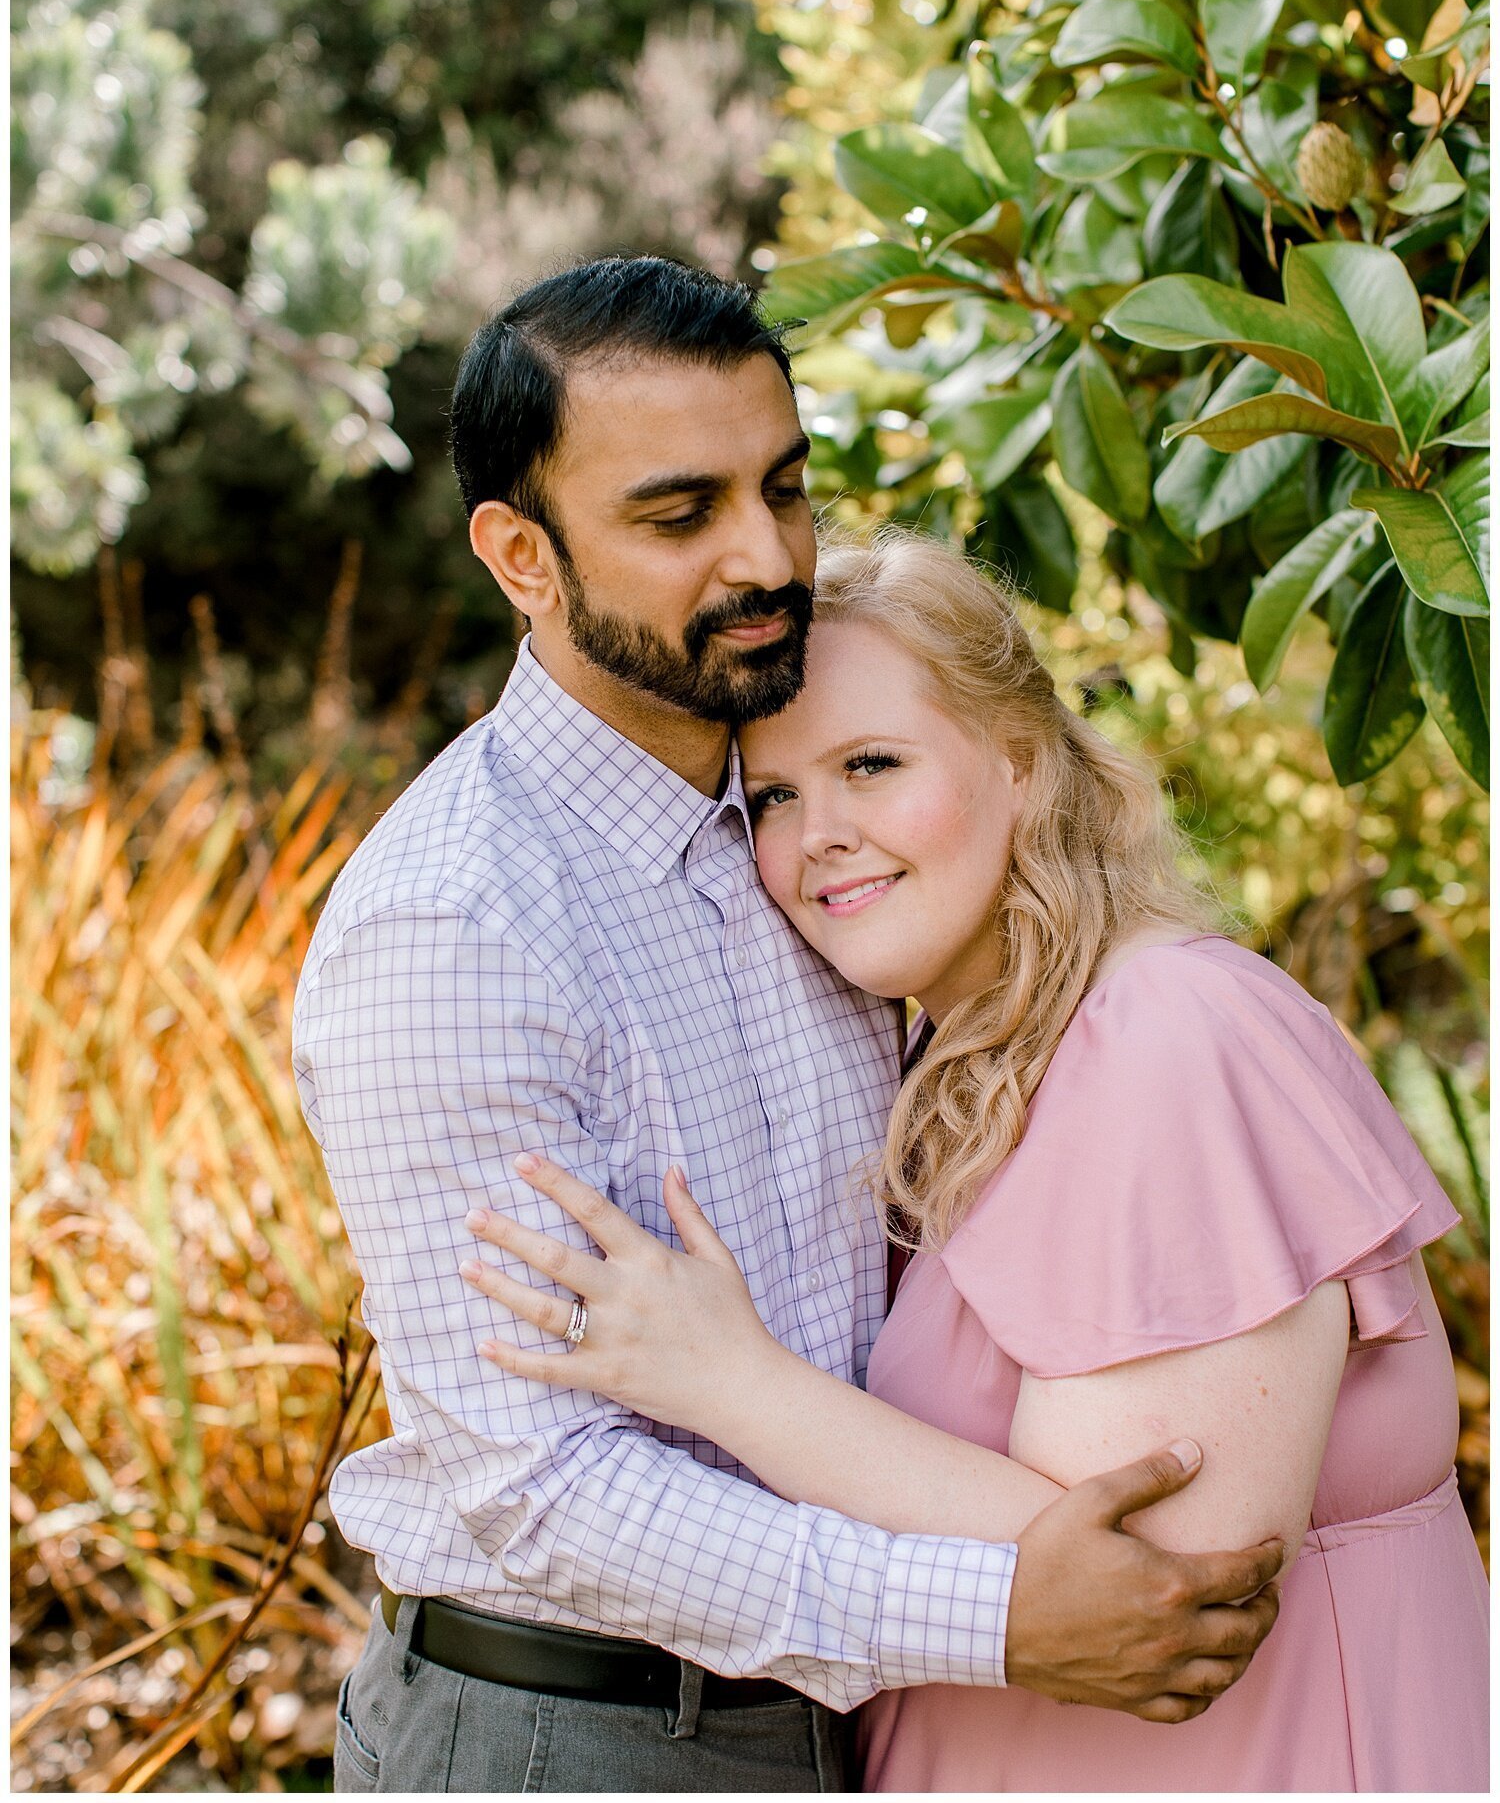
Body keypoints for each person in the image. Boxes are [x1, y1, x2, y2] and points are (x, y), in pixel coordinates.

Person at [292, 257, 1286, 1795]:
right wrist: (1000, 1613)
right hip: (582, 1736)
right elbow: (536, 1486)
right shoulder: (456, 928)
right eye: (680, 514)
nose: (767, 556)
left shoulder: (807, 839)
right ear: (521, 555)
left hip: (852, 1717)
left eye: (787, 487)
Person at [463, 526, 1489, 1793]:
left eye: (872, 764)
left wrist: (732, 1383)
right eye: (775, 795)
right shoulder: (969, 1071)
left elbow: (1166, 1577)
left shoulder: (1169, 1034)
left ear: (1019, 761)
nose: (818, 833)